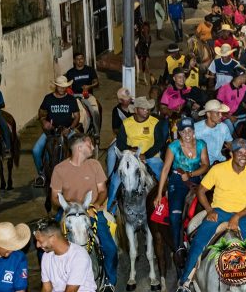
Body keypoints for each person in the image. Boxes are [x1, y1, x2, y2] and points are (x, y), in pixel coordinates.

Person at [179, 139, 246, 287]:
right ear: (232, 154)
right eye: (239, 152)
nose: (243, 156)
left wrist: (237, 216)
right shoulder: (218, 169)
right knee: (199, 242)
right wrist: (209, 210)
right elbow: (201, 190)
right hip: (219, 212)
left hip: (243, 215)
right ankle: (185, 282)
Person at [50, 133, 116, 288]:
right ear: (79, 148)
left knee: (110, 248)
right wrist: (67, 207)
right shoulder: (60, 169)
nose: (93, 147)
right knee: (47, 246)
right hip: (68, 212)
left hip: (91, 210)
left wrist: (95, 206)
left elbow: (103, 191)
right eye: (89, 144)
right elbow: (54, 197)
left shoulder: (95, 165)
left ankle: (109, 282)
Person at [154, 117, 210, 262]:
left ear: (193, 131)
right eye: (183, 131)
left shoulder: (201, 144)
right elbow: (166, 169)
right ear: (179, 132)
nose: (187, 134)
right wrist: (159, 193)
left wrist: (191, 174)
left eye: (189, 130)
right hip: (177, 181)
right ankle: (178, 247)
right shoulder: (173, 147)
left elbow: (205, 165)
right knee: (175, 215)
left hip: (196, 178)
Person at [107, 97, 168, 211]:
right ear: (135, 110)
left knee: (163, 179)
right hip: (130, 158)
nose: (147, 111)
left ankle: (165, 207)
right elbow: (120, 143)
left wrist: (146, 155)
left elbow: (159, 142)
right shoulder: (126, 123)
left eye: (148, 109)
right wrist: (130, 150)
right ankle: (110, 209)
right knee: (115, 182)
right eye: (143, 109)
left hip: (151, 157)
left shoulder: (155, 123)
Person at [33, 76, 80, 188]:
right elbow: (41, 114)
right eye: (60, 86)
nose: (62, 89)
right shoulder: (48, 98)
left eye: (64, 86)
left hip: (67, 130)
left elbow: (77, 116)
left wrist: (70, 129)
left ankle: (78, 173)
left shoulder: (71, 99)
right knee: (36, 150)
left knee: (79, 148)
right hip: (52, 131)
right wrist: (44, 122)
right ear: (56, 86)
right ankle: (42, 174)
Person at [35, 219, 96, 292]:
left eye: (40, 241)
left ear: (53, 238)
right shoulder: (46, 256)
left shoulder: (79, 256)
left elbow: (70, 291)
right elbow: (46, 288)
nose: (37, 245)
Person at [194, 99, 232, 165]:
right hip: (201, 164)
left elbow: (229, 144)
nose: (221, 115)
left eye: (221, 113)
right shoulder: (196, 128)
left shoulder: (224, 127)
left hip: (219, 161)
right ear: (208, 114)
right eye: (217, 113)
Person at [216, 66, 246, 134]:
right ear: (239, 77)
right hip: (227, 116)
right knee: (229, 127)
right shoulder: (224, 88)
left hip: (242, 116)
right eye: (245, 76)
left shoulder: (245, 88)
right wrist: (229, 117)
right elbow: (218, 107)